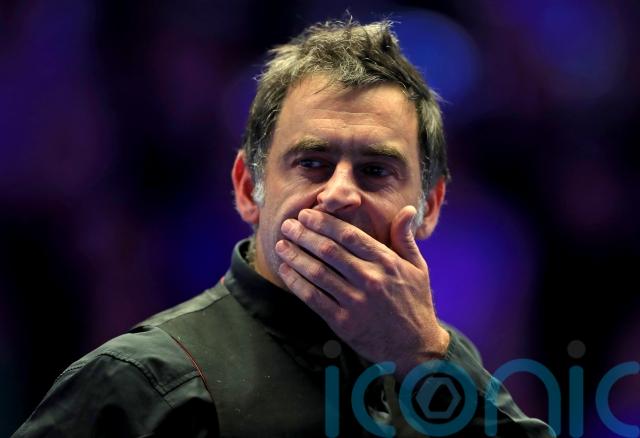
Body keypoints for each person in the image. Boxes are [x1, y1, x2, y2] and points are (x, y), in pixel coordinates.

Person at [13, 19, 554, 437]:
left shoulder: (441, 371)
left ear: (431, 206)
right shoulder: (140, 381)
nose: (340, 193)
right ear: (248, 188)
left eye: (375, 170)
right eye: (312, 163)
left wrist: (424, 360)